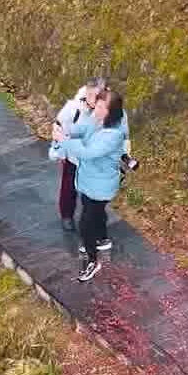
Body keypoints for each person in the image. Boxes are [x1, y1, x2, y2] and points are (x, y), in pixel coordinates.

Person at [50, 89, 126, 283]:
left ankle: (92, 260)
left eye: (102, 107)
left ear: (112, 112)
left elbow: (87, 152)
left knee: (85, 223)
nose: (97, 109)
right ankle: (102, 239)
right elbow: (83, 128)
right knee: (96, 213)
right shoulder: (97, 120)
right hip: (88, 181)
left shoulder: (113, 135)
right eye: (97, 105)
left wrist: (64, 141)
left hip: (100, 186)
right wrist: (66, 130)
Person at [52, 78, 108, 232]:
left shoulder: (108, 108)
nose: (95, 100)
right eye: (92, 96)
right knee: (69, 187)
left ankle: (91, 219)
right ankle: (66, 216)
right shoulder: (73, 108)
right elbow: (58, 125)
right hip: (73, 156)